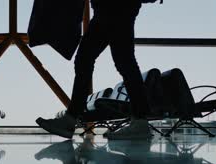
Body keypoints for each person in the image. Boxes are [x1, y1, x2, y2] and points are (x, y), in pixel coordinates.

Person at [36, 0, 152, 139]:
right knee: (121, 62)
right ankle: (140, 121)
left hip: (112, 9)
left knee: (96, 60)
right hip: (115, 9)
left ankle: (71, 118)